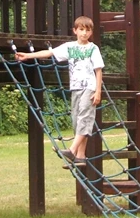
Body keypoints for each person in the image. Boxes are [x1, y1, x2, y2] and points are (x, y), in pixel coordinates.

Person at [15, 16, 103, 161]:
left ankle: (72, 150)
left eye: (87, 30)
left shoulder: (93, 48)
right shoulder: (70, 47)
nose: (84, 33)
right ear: (75, 31)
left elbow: (98, 70)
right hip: (75, 88)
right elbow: (49, 53)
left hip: (90, 88)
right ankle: (81, 155)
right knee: (76, 120)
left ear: (91, 32)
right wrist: (27, 56)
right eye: (81, 29)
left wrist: (98, 91)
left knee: (85, 117)